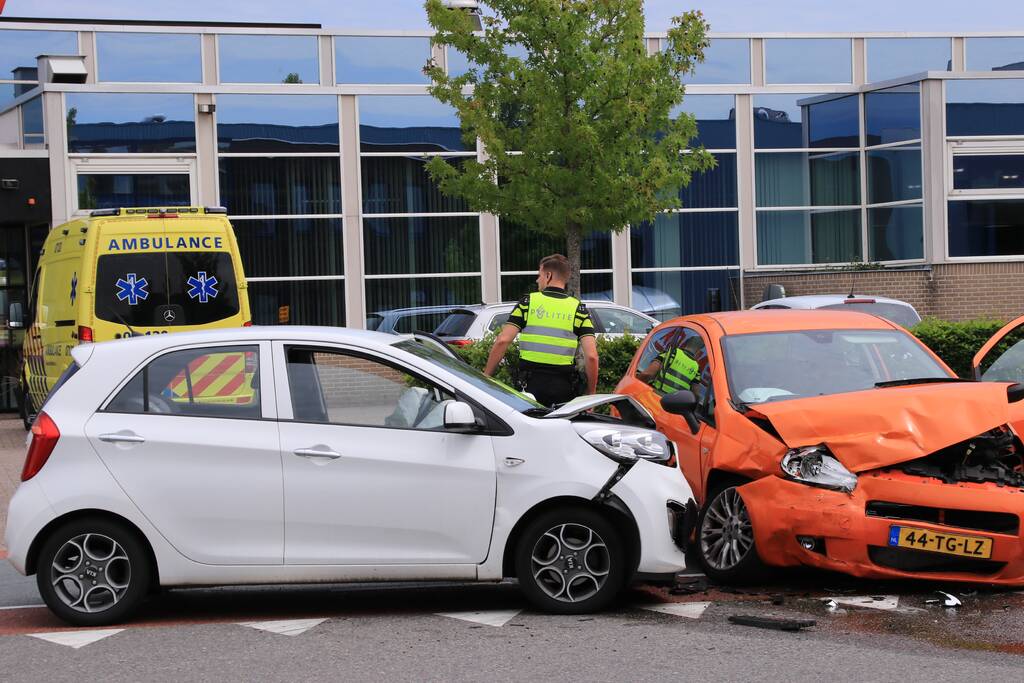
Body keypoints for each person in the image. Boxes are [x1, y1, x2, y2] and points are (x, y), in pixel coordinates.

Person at [484, 254, 598, 407]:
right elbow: (591, 357)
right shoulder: (579, 309)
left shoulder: (528, 303)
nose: (537, 280)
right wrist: (591, 393)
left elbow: (502, 341)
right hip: (563, 389)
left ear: (548, 275)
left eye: (539, 275)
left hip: (529, 388)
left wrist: (485, 377)